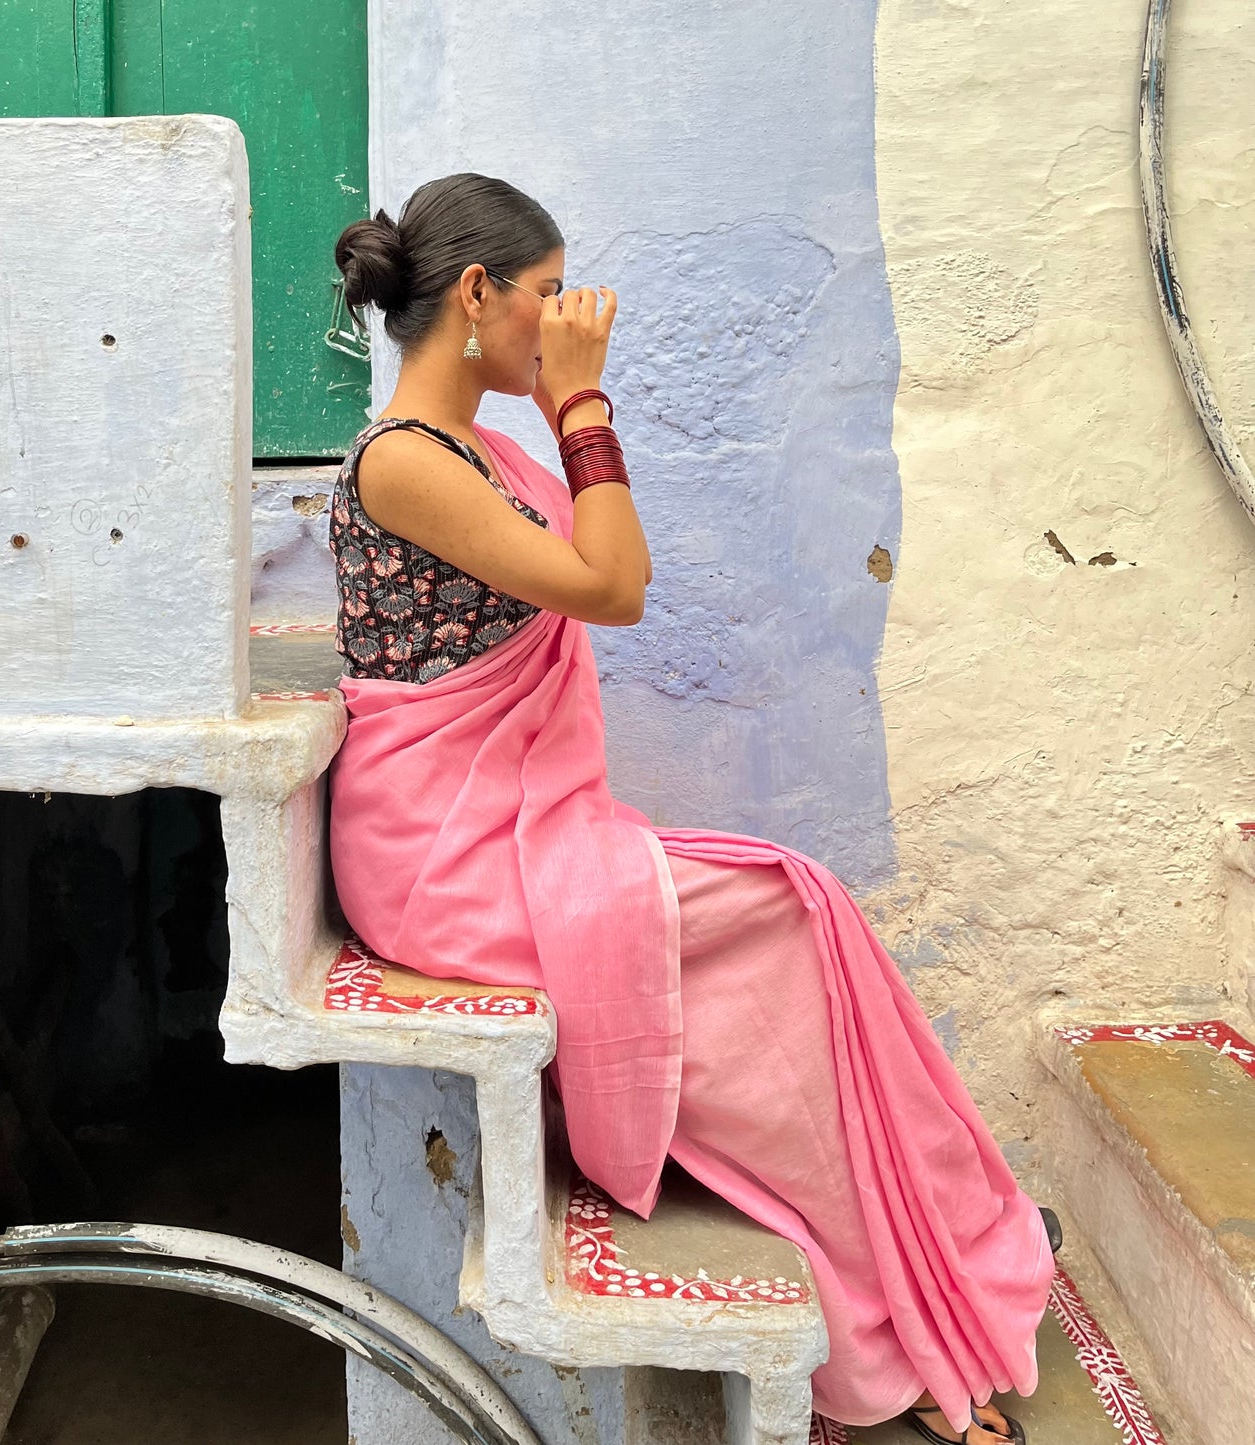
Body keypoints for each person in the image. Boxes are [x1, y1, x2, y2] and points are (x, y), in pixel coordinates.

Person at [326, 172, 1056, 1445]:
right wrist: (582, 400)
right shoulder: (404, 463)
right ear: (481, 294)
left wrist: (557, 411)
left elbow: (607, 574)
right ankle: (891, 1306)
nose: (566, 319)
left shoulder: (479, 452)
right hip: (446, 856)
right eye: (548, 295)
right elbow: (614, 586)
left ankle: (913, 1258)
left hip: (507, 829)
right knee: (787, 910)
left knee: (801, 914)